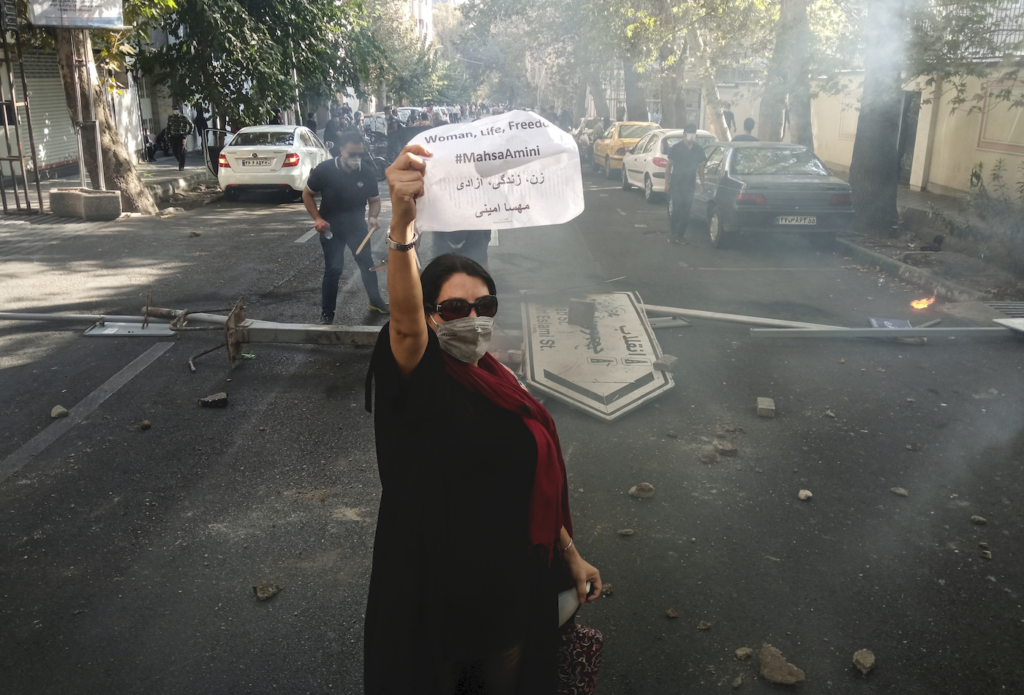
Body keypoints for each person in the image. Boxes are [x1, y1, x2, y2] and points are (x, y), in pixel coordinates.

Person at [364, 142, 602, 694]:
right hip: (433, 598)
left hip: (507, 598)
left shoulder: (496, 377)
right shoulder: (418, 375)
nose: (471, 319)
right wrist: (401, 228)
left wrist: (570, 555)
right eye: (453, 309)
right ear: (429, 314)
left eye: (484, 307)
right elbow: (402, 327)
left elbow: (524, 482)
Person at [302, 131, 388, 322]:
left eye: (360, 154)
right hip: (330, 229)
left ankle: (375, 301)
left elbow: (374, 200)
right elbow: (307, 194)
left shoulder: (365, 172)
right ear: (341, 151)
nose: (356, 159)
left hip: (357, 227)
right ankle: (327, 312)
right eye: (352, 154)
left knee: (367, 264)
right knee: (334, 269)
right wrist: (317, 218)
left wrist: (373, 217)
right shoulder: (324, 170)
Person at [665, 123, 707, 245]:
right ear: (684, 134)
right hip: (676, 182)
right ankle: (673, 233)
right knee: (677, 208)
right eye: (689, 133)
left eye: (693, 133)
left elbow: (700, 168)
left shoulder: (698, 150)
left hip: (690, 183)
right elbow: (668, 166)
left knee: (686, 211)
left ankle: (680, 235)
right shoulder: (676, 148)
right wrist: (666, 183)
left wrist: (702, 184)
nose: (691, 135)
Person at [166, 105, 194, 171]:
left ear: (179, 110)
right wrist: (167, 135)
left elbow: (191, 125)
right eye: (174, 109)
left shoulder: (183, 117)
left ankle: (181, 166)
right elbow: (168, 127)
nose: (175, 110)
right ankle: (180, 161)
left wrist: (188, 132)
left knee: (181, 151)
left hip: (181, 136)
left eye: (177, 109)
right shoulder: (170, 118)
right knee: (175, 151)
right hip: (173, 136)